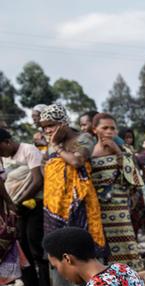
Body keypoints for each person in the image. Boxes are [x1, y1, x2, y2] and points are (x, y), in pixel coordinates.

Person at [38, 104, 105, 259]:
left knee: (81, 247)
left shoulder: (83, 138)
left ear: (63, 123)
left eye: (51, 125)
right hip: (55, 206)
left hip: (79, 202)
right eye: (44, 127)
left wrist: (57, 147)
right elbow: (45, 167)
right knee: (59, 250)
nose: (47, 130)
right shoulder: (49, 146)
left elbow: (76, 161)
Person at [0, 128, 50, 286]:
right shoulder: (4, 159)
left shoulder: (28, 150)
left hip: (33, 205)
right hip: (15, 209)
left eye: (0, 148)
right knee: (22, 253)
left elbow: (38, 180)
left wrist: (18, 202)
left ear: (7, 142)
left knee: (37, 248)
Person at [89, 113, 145, 271]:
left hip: (119, 209)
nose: (109, 131)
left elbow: (134, 180)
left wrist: (118, 153)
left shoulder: (123, 149)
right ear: (95, 130)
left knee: (125, 244)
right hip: (98, 210)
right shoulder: (89, 152)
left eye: (112, 128)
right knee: (104, 248)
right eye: (104, 128)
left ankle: (132, 282)